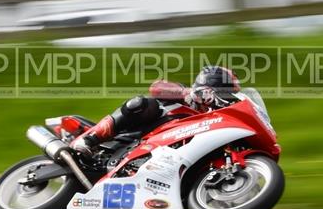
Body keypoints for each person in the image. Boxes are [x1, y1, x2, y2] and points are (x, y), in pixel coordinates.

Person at [69, 65, 241, 158]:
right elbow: (156, 88)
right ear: (211, 87)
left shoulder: (212, 119)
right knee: (142, 103)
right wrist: (187, 93)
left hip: (162, 157)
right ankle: (89, 139)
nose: (230, 98)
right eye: (227, 92)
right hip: (130, 141)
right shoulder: (182, 96)